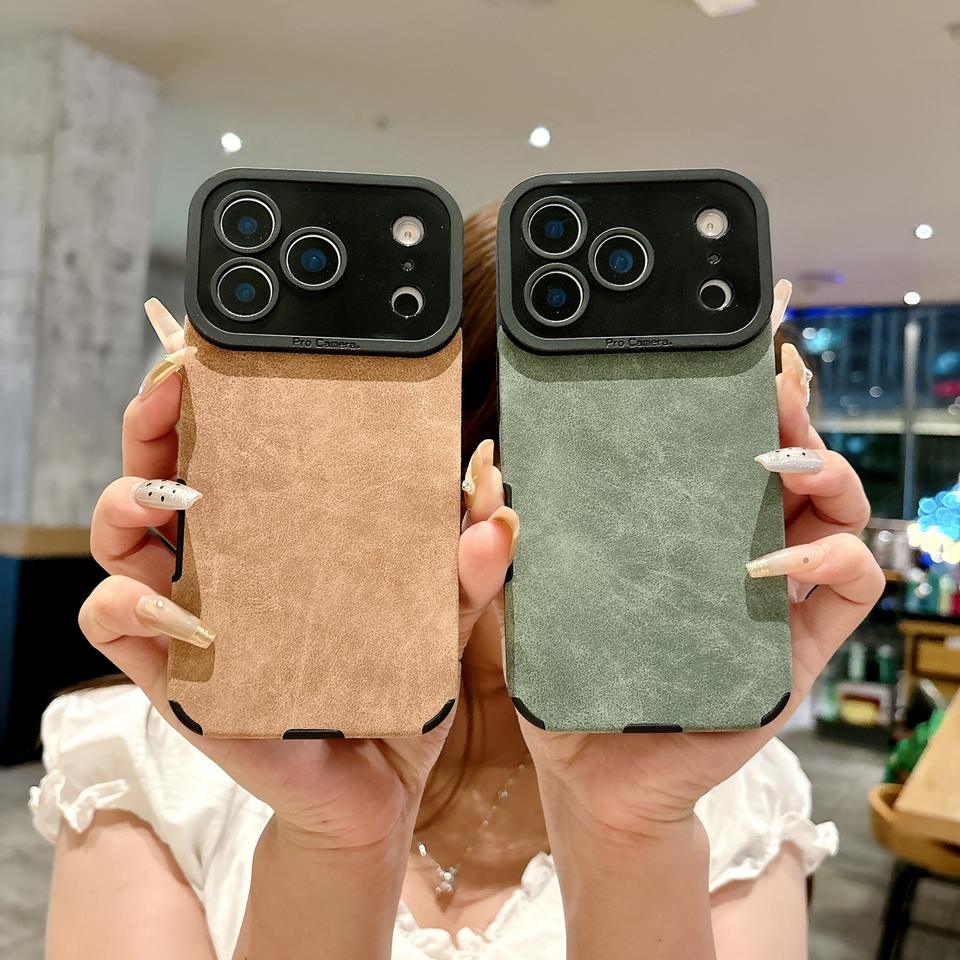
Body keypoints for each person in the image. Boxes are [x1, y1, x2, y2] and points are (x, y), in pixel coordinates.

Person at [31, 202, 883, 959]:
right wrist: (335, 842)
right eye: (572, 432)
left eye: (685, 444)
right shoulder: (148, 760)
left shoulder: (732, 792)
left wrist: (629, 833)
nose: (633, 489)